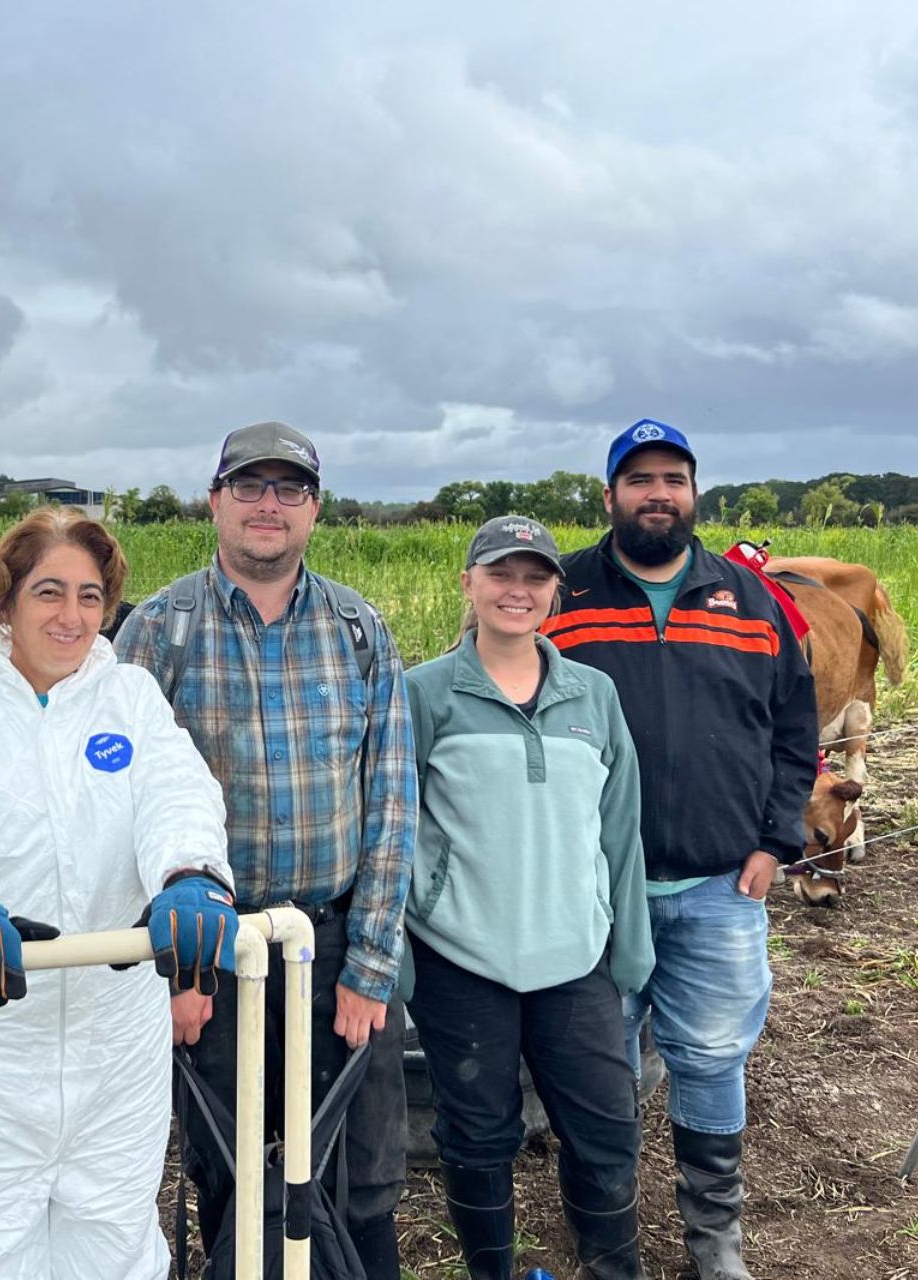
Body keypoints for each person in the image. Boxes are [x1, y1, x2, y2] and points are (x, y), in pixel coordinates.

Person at [0, 508, 238, 1280]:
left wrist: (192, 873)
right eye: (48, 592)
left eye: (90, 596)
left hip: (116, 1042)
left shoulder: (130, 700)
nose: (71, 616)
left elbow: (176, 790)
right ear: (6, 600)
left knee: (117, 1245)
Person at [113, 421, 417, 1280]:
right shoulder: (158, 633)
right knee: (231, 1173)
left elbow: (393, 801)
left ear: (315, 509)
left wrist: (371, 967)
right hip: (217, 950)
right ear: (214, 501)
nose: (268, 506)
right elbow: (123, 813)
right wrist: (178, 971)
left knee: (358, 1180)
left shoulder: (360, 630)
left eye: (289, 489)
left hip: (332, 946)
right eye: (249, 487)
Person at [541, 420, 818, 1280]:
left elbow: (794, 728)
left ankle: (714, 1237)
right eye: (639, 479)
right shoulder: (563, 596)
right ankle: (604, 1237)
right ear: (610, 495)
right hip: (592, 889)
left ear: (695, 494)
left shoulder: (748, 597)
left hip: (718, 884)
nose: (657, 493)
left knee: (709, 1057)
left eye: (674, 478)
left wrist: (778, 840)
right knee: (597, 1070)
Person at [403, 515, 653, 1280]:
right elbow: (395, 823)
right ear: (469, 583)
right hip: (463, 959)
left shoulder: (594, 694)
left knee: (606, 1128)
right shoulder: (423, 694)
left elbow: (620, 827)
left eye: (534, 577)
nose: (518, 591)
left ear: (555, 591)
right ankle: (493, 1271)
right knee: (478, 1134)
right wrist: (415, 933)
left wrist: (629, 948)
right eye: (501, 574)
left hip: (576, 957)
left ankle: (615, 1268)